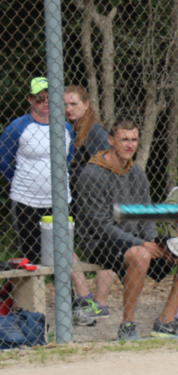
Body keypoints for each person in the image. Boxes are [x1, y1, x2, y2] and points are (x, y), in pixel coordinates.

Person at [74, 119, 178, 339]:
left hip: (136, 240)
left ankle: (166, 322)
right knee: (141, 255)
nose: (130, 145)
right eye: (124, 139)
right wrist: (141, 244)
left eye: (134, 140)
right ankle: (127, 325)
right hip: (100, 242)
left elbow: (146, 214)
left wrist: (153, 241)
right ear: (111, 140)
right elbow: (100, 225)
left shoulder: (136, 172)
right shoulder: (92, 174)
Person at [0, 77, 101, 324]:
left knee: (63, 252)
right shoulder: (18, 127)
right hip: (26, 201)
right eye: (39, 98)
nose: (45, 103)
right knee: (31, 256)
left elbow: (68, 159)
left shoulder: (65, 128)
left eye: (49, 98)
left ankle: (74, 308)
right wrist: (23, 181)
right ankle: (33, 314)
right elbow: (4, 161)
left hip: (58, 201)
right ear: (30, 100)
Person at [65, 83, 116, 318]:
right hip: (76, 201)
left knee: (105, 250)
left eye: (74, 104)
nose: (68, 108)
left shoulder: (94, 132)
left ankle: (98, 303)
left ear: (86, 105)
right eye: (65, 104)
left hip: (94, 202)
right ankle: (87, 298)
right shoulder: (71, 130)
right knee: (64, 243)